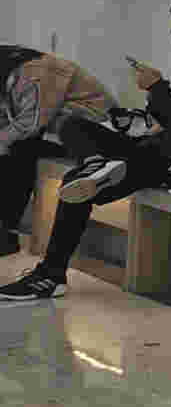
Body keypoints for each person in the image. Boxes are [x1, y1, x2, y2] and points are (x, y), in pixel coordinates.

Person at [0, 0, 171, 304]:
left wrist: (157, 88)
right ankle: (99, 163)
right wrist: (147, 113)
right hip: (167, 151)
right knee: (73, 124)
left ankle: (50, 277)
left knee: (75, 182)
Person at [0, 47, 116, 257]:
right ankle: (5, 230)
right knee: (16, 148)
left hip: (92, 135)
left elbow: (30, 123)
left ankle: (5, 232)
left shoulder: (33, 73)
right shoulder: (9, 72)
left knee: (19, 149)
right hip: (55, 132)